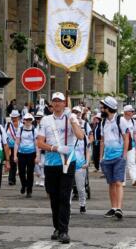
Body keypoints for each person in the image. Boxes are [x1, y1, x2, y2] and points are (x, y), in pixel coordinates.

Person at [37, 92, 84, 244]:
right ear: (51, 104)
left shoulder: (71, 118)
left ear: (65, 103)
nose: (57, 104)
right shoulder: (45, 120)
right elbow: (40, 143)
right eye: (55, 101)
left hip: (68, 162)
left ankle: (64, 230)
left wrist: (73, 121)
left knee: (65, 196)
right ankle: (57, 227)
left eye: (60, 101)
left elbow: (80, 136)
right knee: (54, 197)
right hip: (51, 162)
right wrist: (55, 148)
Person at [100, 97, 129, 219]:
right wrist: (101, 158)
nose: (101, 109)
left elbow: (126, 137)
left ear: (108, 108)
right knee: (111, 183)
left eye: (103, 107)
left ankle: (119, 208)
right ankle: (113, 208)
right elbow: (102, 141)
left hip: (118, 156)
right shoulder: (103, 122)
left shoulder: (120, 120)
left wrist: (124, 155)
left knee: (118, 182)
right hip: (107, 157)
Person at [70, 106, 91, 214]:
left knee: (80, 188)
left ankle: (82, 204)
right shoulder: (68, 136)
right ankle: (67, 206)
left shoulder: (84, 137)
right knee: (68, 188)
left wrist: (87, 162)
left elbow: (87, 151)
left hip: (80, 165)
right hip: (68, 164)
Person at [14, 113, 38, 198]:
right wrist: (15, 155)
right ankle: (24, 185)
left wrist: (37, 156)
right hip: (21, 153)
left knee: (30, 172)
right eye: (26, 120)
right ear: (24, 120)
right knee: (21, 172)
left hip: (31, 154)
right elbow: (16, 143)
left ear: (32, 121)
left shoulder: (34, 130)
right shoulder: (20, 130)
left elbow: (36, 144)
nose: (28, 121)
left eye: (29, 120)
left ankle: (29, 190)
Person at [122, 105, 136, 187]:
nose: (133, 113)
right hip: (121, 145)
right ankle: (122, 181)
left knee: (132, 162)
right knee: (122, 163)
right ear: (126, 112)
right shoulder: (120, 120)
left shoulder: (133, 121)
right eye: (131, 111)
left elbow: (135, 133)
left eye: (133, 111)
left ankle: (134, 178)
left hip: (131, 144)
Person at [6, 110, 22, 185]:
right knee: (12, 163)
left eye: (15, 117)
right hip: (11, 147)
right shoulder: (8, 125)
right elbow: (5, 136)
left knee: (21, 163)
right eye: (12, 117)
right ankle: (11, 179)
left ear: (18, 117)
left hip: (20, 147)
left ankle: (23, 180)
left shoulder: (22, 125)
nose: (13, 118)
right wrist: (7, 147)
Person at [34, 111, 45, 187]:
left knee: (42, 164)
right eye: (37, 118)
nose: (38, 119)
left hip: (43, 147)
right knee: (36, 164)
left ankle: (43, 179)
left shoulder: (45, 127)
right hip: (36, 147)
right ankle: (38, 178)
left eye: (40, 118)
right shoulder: (35, 127)